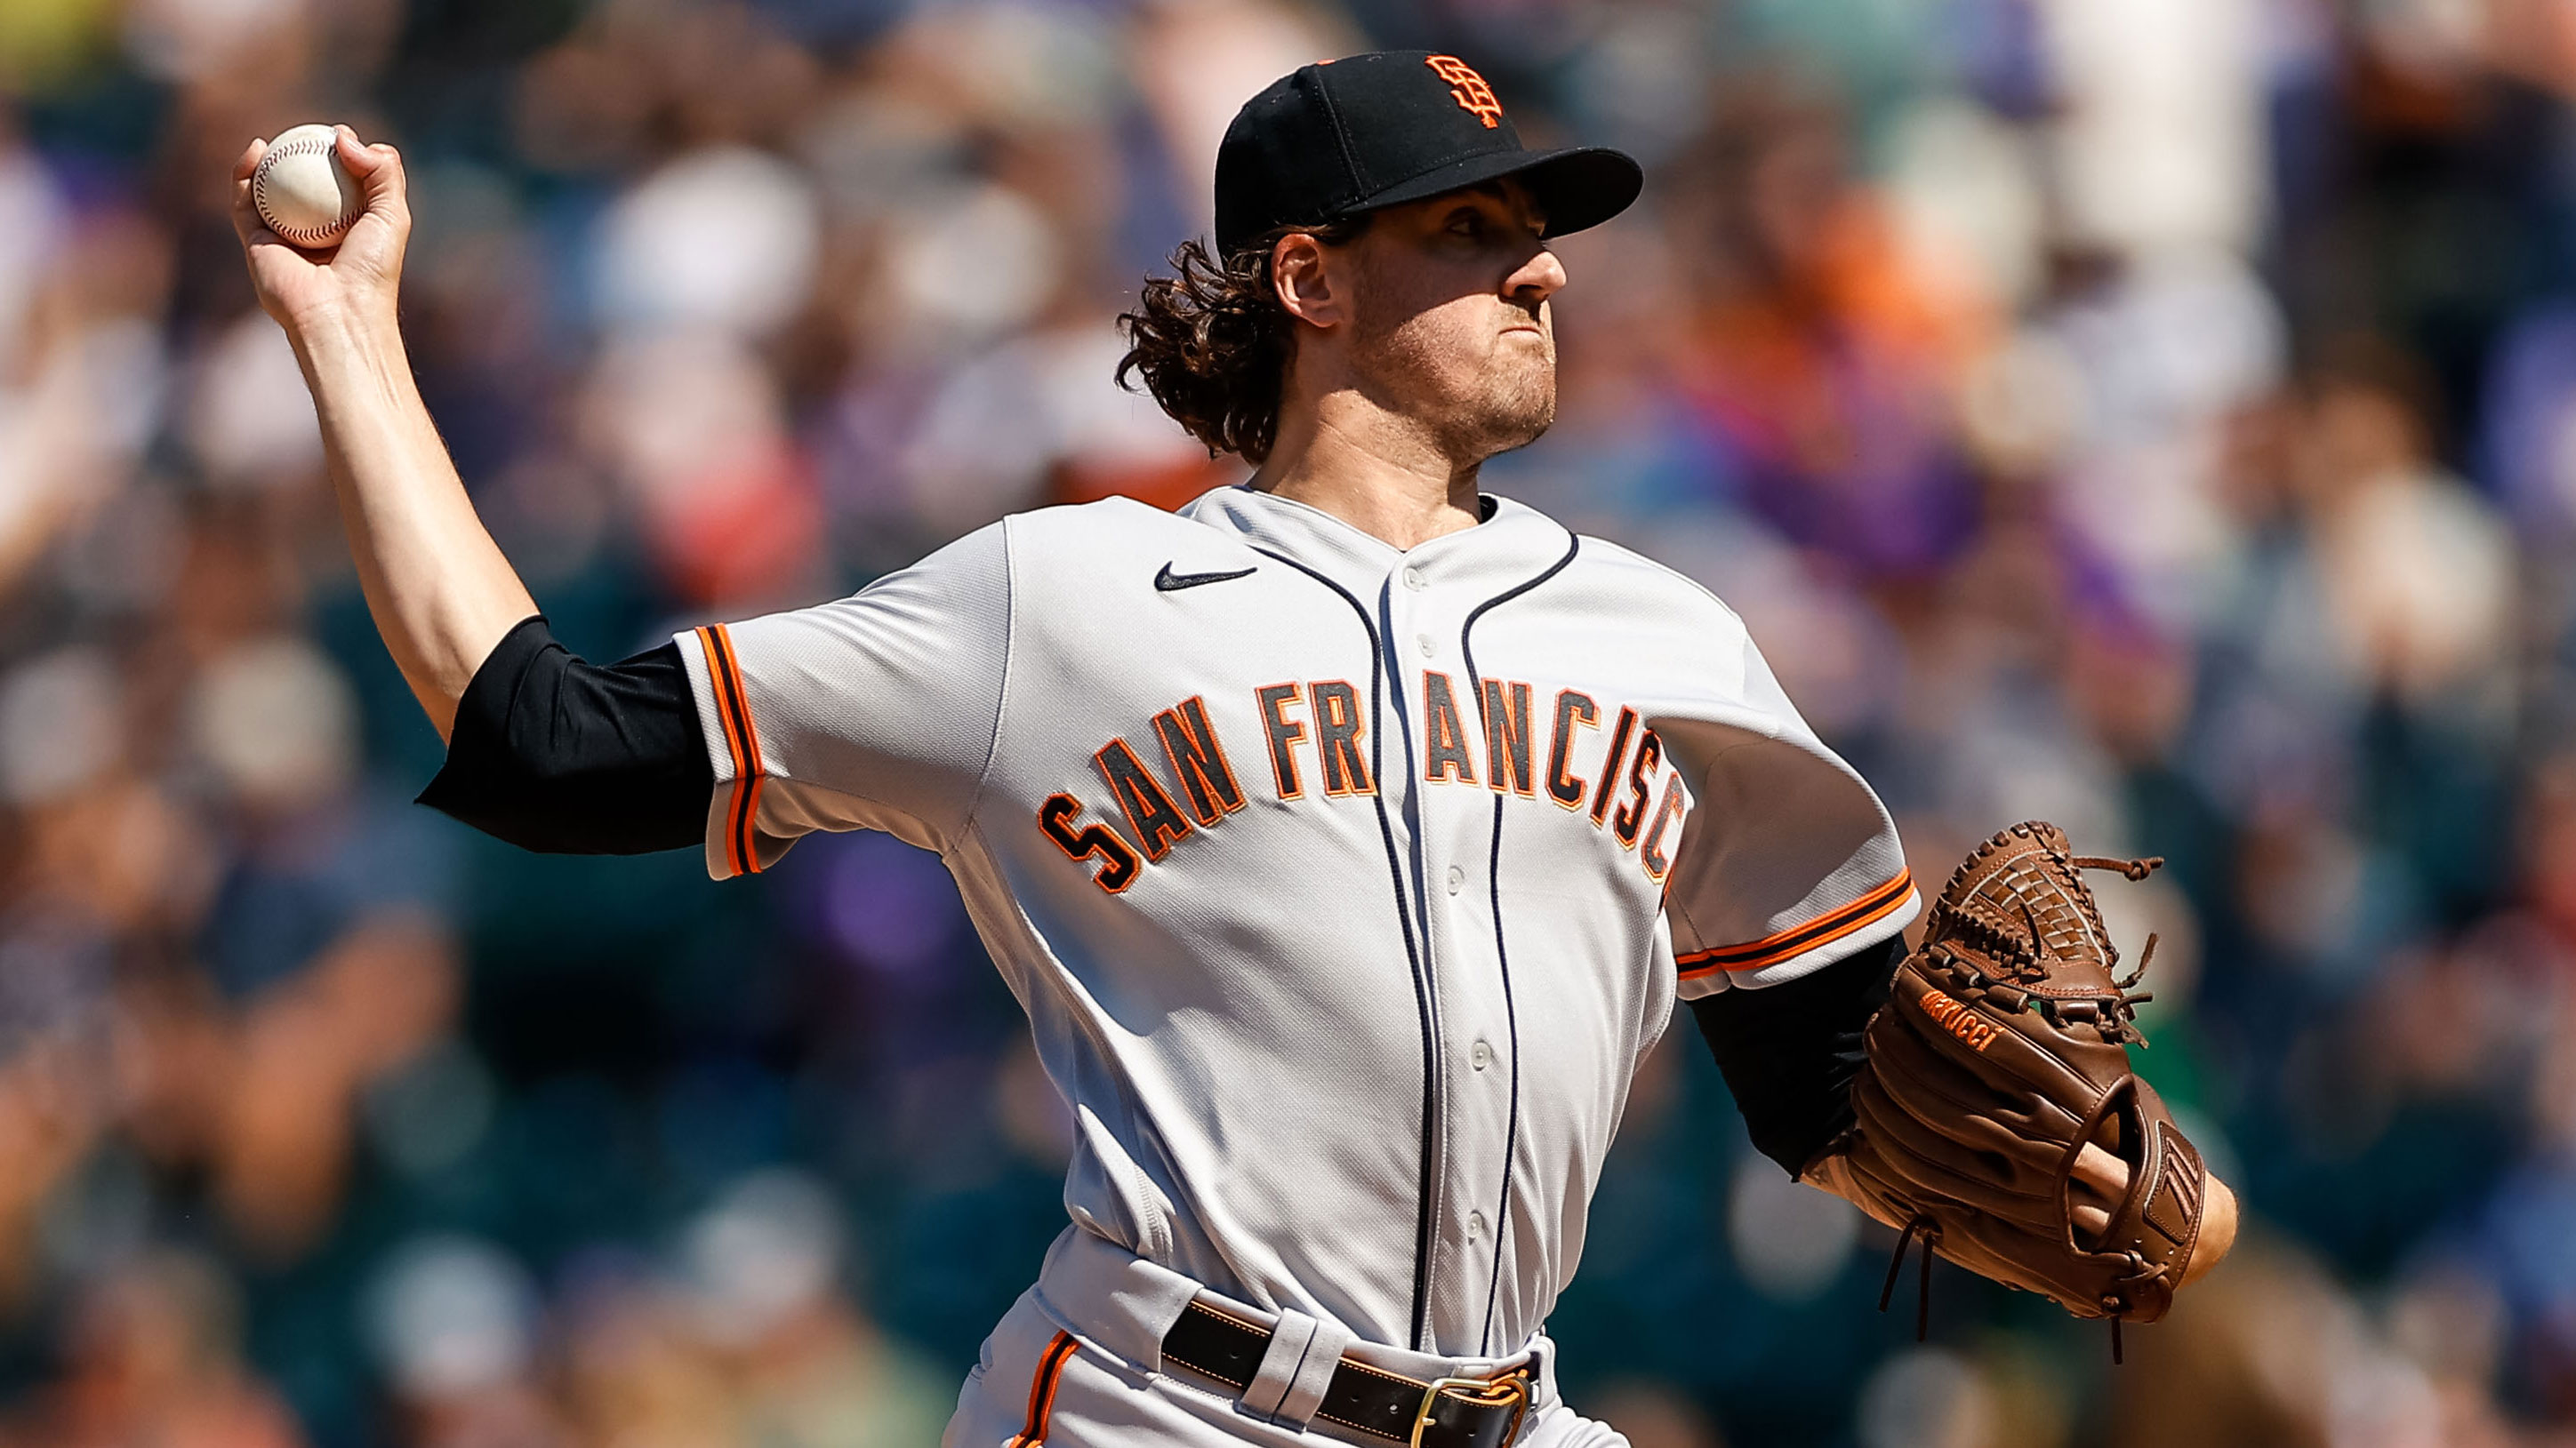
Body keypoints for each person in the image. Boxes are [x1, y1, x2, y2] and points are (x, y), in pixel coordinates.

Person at [231, 51, 2230, 1448]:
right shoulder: (1057, 602)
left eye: (1543, 227)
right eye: (1477, 226)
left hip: (1515, 1410)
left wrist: (2091, 1181)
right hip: (1158, 1406)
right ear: (1311, 277)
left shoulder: (1672, 636)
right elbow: (544, 741)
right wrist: (349, 333)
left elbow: (1832, 1088)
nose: (1544, 265)